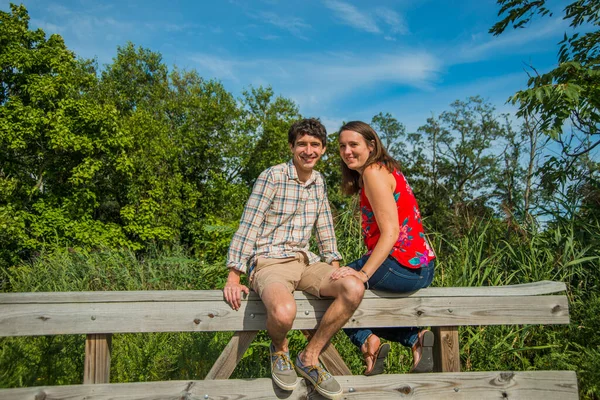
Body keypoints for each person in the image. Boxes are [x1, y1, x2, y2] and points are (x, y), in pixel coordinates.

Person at [224, 118, 364, 399]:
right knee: (285, 312)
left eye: (315, 145)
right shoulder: (272, 176)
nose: (308, 150)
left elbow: (325, 227)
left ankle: (309, 357)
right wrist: (233, 274)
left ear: (323, 149)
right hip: (269, 261)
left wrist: (334, 267)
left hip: (306, 262)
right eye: (302, 144)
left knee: (352, 287)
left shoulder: (319, 181)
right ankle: (279, 350)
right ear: (291, 146)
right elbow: (249, 224)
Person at [331, 120, 436, 376]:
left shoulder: (372, 173)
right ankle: (415, 340)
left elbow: (391, 233)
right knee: (350, 291)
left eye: (353, 144)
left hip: (399, 267)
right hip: (422, 267)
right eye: (342, 146)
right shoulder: (388, 170)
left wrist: (363, 274)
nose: (347, 152)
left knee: (330, 286)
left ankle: (368, 340)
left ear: (371, 145)